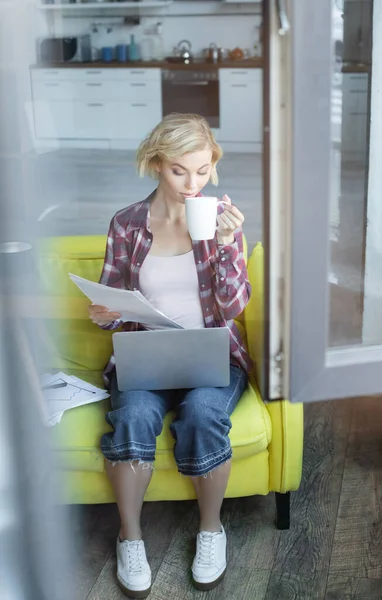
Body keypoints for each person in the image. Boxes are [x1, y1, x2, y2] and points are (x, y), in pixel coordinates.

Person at [89, 113, 252, 599]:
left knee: (203, 412)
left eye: (203, 171)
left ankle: (210, 531)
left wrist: (224, 248)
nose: (192, 183)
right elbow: (113, 300)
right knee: (134, 416)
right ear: (157, 163)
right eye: (180, 170)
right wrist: (105, 315)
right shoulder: (127, 225)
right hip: (147, 354)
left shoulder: (220, 222)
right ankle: (130, 538)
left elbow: (233, 308)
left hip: (213, 356)